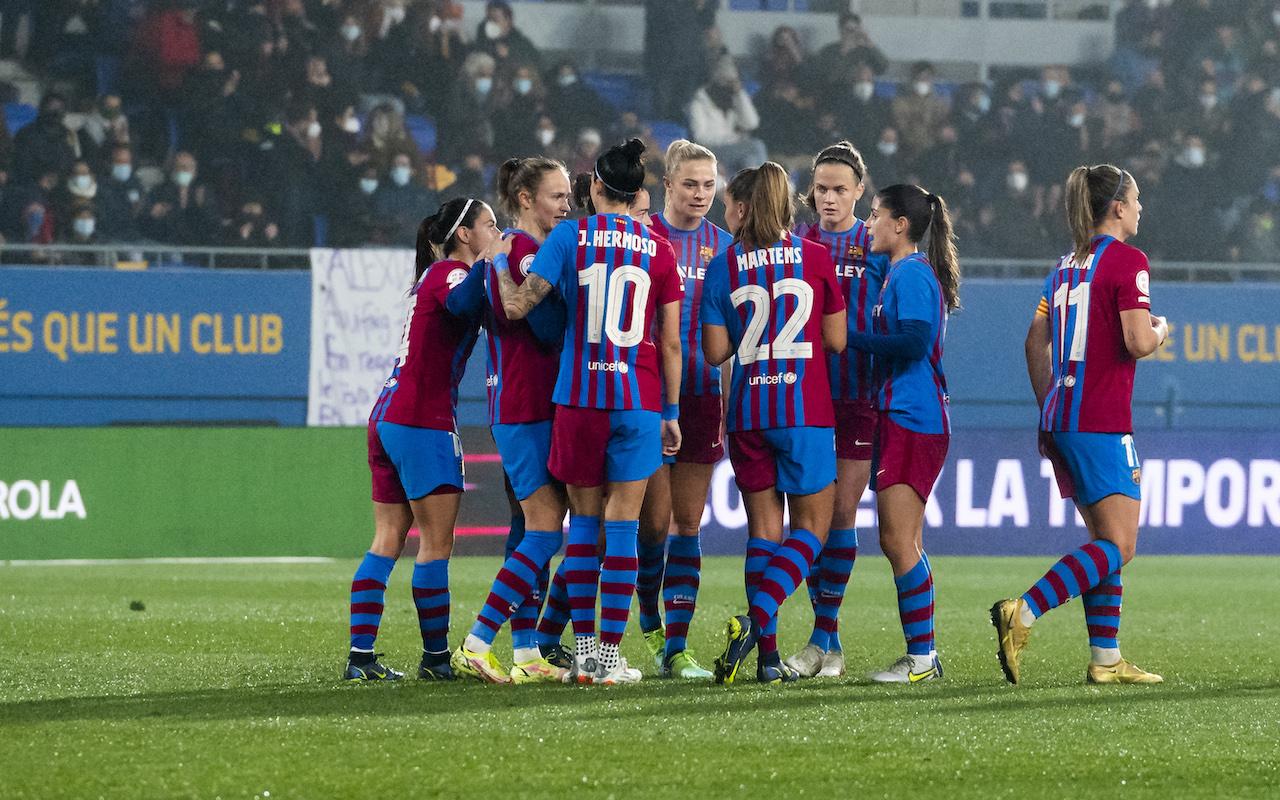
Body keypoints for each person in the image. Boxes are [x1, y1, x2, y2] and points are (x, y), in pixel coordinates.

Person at [490, 138, 684, 684]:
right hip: (638, 401)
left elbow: (516, 305)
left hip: (577, 401)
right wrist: (670, 410)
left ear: (594, 188)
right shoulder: (660, 250)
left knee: (583, 526)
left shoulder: (571, 236)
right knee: (623, 525)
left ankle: (579, 652)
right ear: (638, 193)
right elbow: (670, 344)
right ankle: (606, 657)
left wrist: (498, 264)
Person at [991, 165, 1168, 686]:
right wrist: (1160, 330)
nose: (1140, 209)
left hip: (1062, 418)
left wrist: (1053, 403)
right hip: (1102, 420)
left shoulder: (1064, 267)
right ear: (1117, 207)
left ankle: (1106, 658)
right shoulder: (1128, 261)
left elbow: (1033, 342)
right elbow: (1137, 341)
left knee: (1102, 541)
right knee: (1121, 546)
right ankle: (1022, 611)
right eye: (1136, 199)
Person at [705, 163, 847, 685]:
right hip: (804, 410)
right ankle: (753, 620)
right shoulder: (815, 258)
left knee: (763, 533)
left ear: (744, 207)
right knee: (812, 529)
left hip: (747, 412)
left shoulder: (724, 265)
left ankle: (767, 659)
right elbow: (836, 340)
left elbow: (716, 351)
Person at [344, 197, 497, 682]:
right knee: (435, 544)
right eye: (490, 225)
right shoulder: (451, 272)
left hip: (389, 415)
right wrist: (493, 265)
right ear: (465, 235)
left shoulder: (429, 279)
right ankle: (435, 660)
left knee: (387, 539)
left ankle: (360, 658)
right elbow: (459, 300)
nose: (497, 232)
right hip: (422, 421)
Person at [451, 157, 574, 685]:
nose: (566, 206)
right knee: (546, 530)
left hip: (520, 403)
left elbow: (464, 308)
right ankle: (477, 641)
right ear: (525, 199)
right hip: (528, 406)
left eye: (568, 196)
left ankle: (526, 651)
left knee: (530, 528)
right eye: (556, 196)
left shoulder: (513, 252)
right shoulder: (523, 251)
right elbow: (539, 326)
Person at [786, 141, 890, 680]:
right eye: (821, 189)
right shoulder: (794, 244)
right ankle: (828, 638)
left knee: (841, 515)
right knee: (809, 520)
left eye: (839, 189)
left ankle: (823, 639)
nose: (828, 198)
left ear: (859, 192)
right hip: (800, 400)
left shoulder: (872, 246)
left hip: (857, 399)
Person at [855, 184, 960, 684]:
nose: (868, 223)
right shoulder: (901, 272)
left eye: (875, 215)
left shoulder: (914, 274)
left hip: (912, 417)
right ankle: (924, 655)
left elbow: (916, 342)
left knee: (897, 539)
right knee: (904, 539)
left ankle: (921, 657)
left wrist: (849, 340)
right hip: (906, 416)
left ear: (900, 224)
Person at [637, 140, 730, 680]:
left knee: (687, 525)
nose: (700, 194)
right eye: (690, 183)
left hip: (699, 398)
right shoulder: (645, 240)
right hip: (646, 398)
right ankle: (648, 621)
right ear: (667, 185)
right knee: (652, 523)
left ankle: (676, 647)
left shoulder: (725, 247)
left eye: (708, 184)